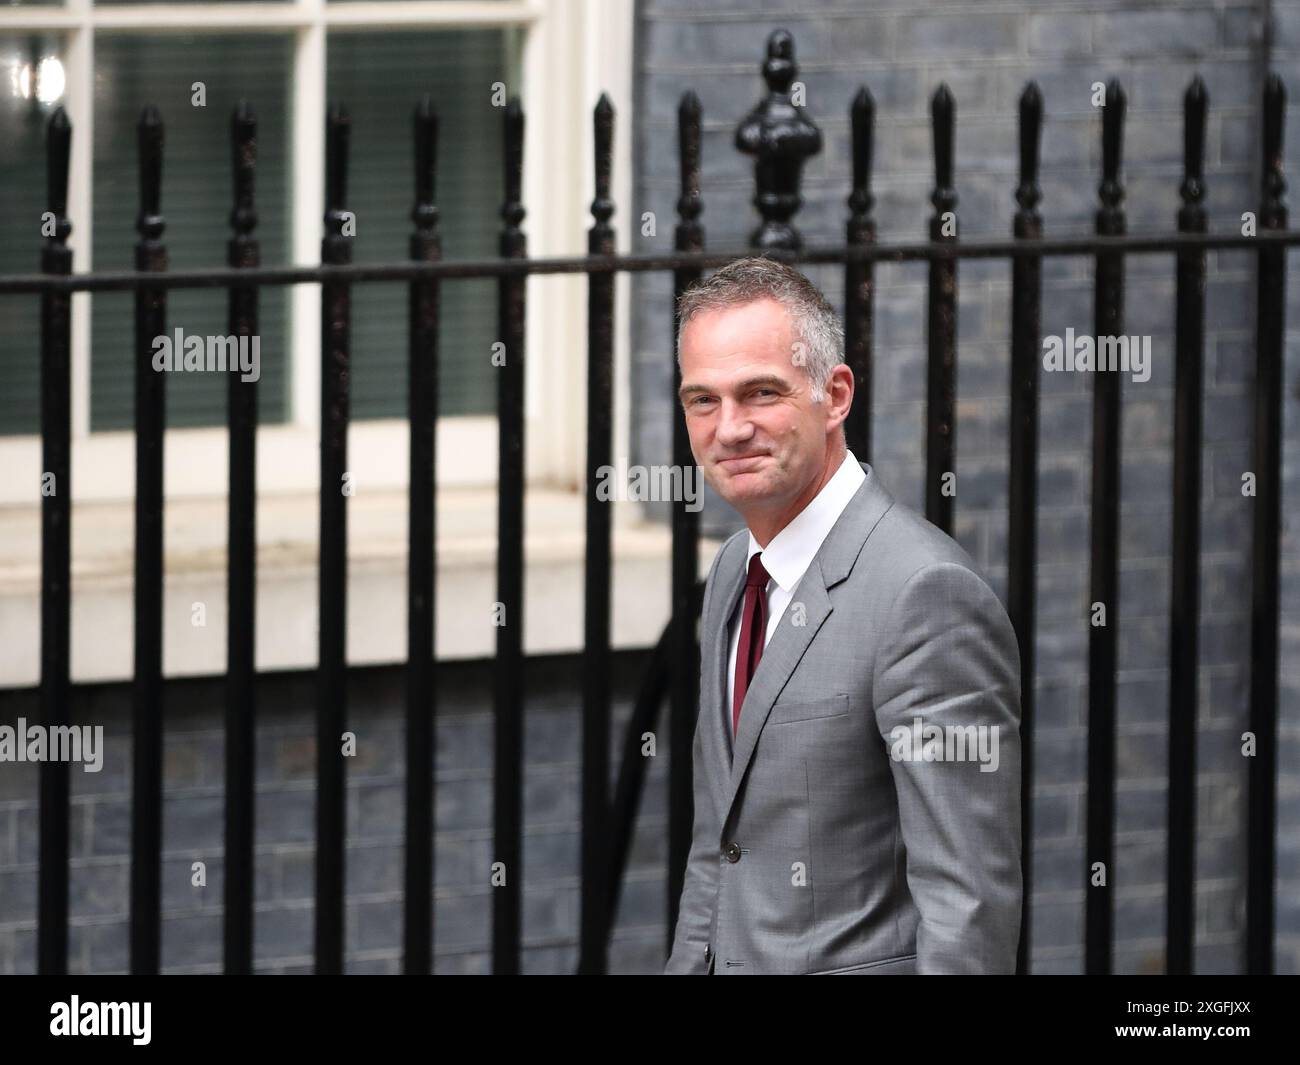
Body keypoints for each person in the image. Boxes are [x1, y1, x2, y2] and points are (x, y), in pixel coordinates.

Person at [664, 256, 1022, 975]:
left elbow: (968, 904)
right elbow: (720, 846)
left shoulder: (926, 594)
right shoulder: (735, 569)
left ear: (834, 395)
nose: (729, 428)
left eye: (759, 392)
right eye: (702, 400)